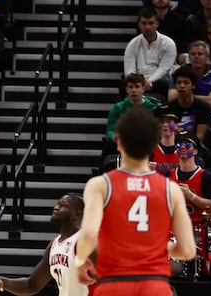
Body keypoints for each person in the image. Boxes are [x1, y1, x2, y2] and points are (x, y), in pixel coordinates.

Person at [75, 108, 195, 294]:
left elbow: (89, 236)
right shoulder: (171, 189)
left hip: (114, 283)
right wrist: (158, 248)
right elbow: (187, 250)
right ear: (154, 144)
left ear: (118, 142)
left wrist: (81, 261)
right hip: (155, 285)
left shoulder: (100, 185)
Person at [0, 194, 88, 296]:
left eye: (63, 205)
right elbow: (31, 285)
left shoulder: (83, 241)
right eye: (57, 204)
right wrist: (2, 282)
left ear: (76, 215)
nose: (56, 207)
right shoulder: (54, 245)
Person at [123, 7, 177, 100]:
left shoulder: (169, 43)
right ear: (139, 25)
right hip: (137, 82)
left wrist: (149, 81)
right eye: (144, 23)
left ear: (157, 24)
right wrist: (141, 83)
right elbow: (129, 71)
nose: (147, 27)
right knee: (126, 84)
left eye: (151, 23)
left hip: (159, 82)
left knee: (164, 84)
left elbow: (164, 69)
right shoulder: (132, 44)